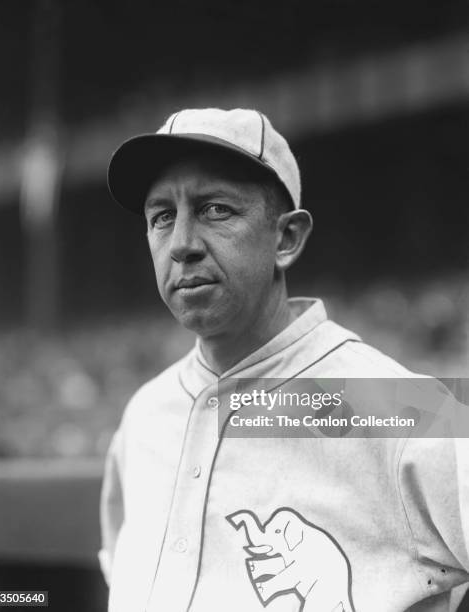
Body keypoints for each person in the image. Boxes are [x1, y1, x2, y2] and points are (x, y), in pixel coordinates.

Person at [100, 108, 468, 611]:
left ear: (286, 238)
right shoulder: (143, 414)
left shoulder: (401, 403)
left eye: (215, 209)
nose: (182, 244)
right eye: (162, 217)